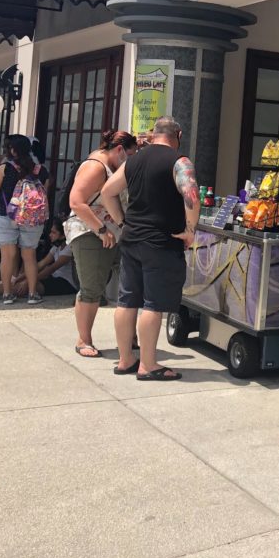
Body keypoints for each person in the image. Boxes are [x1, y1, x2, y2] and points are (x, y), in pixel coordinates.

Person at [100, 116, 198, 381]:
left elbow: (107, 191)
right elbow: (191, 195)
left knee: (127, 300)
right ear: (178, 135)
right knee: (153, 304)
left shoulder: (133, 160)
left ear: (154, 134)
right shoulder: (180, 161)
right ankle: (148, 364)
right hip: (161, 242)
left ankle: (125, 360)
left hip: (132, 239)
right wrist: (190, 231)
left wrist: (122, 222)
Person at [63, 129, 138, 358]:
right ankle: (83, 340)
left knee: (125, 284)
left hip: (112, 232)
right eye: (130, 155)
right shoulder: (96, 166)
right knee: (91, 288)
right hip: (90, 233)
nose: (131, 161)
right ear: (119, 150)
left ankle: (129, 336)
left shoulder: (108, 163)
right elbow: (76, 202)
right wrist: (101, 229)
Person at [0, 135, 49, 305]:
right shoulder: (41, 170)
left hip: (6, 215)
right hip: (32, 218)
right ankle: (32, 294)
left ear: (12, 150)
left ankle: (7, 294)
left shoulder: (5, 168)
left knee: (8, 256)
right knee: (29, 256)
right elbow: (44, 194)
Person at [0, 219, 77, 300]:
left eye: (54, 233)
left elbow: (50, 269)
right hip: (54, 278)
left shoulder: (69, 249)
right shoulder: (56, 248)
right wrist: (20, 278)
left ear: (63, 236)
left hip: (66, 283)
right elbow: (41, 264)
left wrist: (27, 281)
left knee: (29, 285)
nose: (50, 235)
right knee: (24, 282)